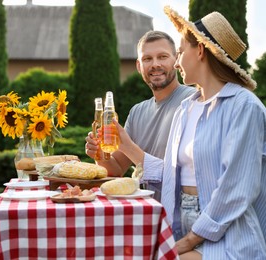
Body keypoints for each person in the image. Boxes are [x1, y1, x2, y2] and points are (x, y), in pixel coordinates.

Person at [111, 6, 266, 259]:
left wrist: (187, 241)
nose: (177, 61)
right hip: (181, 223)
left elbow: (236, 190)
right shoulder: (187, 108)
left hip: (227, 233)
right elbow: (172, 176)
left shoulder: (244, 107)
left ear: (201, 51)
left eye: (180, 52)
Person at [85, 30, 195, 200]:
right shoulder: (137, 112)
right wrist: (100, 154)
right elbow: (116, 169)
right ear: (139, 66)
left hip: (181, 216)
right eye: (147, 59)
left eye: (163, 56)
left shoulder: (193, 101)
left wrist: (127, 145)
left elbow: (192, 176)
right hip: (146, 212)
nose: (155, 64)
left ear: (176, 60)